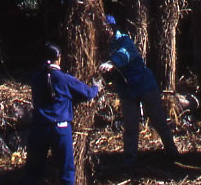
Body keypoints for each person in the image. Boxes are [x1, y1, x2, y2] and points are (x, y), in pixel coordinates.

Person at [99, 15, 178, 164]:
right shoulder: (105, 46)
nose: (104, 31)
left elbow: (125, 54)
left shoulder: (124, 40)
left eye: (106, 28)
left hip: (145, 86)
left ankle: (173, 153)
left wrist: (112, 63)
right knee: (130, 126)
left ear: (112, 28)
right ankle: (130, 159)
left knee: (159, 121)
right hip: (127, 91)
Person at [23, 42, 100, 185]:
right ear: (58, 58)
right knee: (66, 171)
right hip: (60, 129)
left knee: (32, 172)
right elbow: (88, 93)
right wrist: (97, 86)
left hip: (39, 128)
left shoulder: (36, 79)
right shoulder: (64, 79)